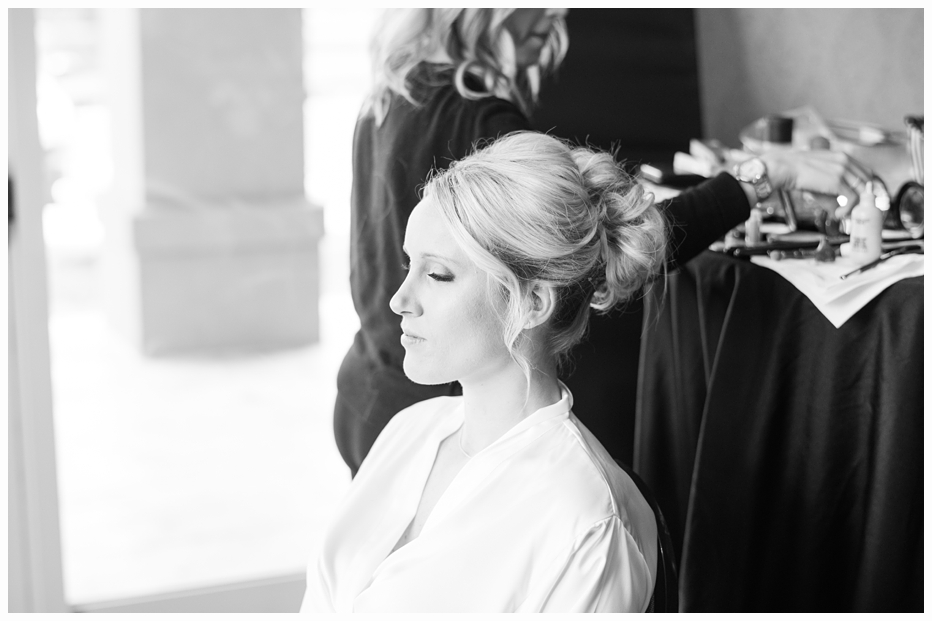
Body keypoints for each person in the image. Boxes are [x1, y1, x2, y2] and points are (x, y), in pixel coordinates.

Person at [335, 7, 873, 476]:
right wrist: (761, 175)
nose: (558, 16)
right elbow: (614, 242)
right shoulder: (482, 120)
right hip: (441, 425)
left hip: (368, 398)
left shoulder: (390, 96)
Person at [303, 131, 663, 612]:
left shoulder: (585, 524)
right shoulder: (409, 431)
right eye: (409, 265)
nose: (399, 300)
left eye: (436, 275)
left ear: (532, 301)